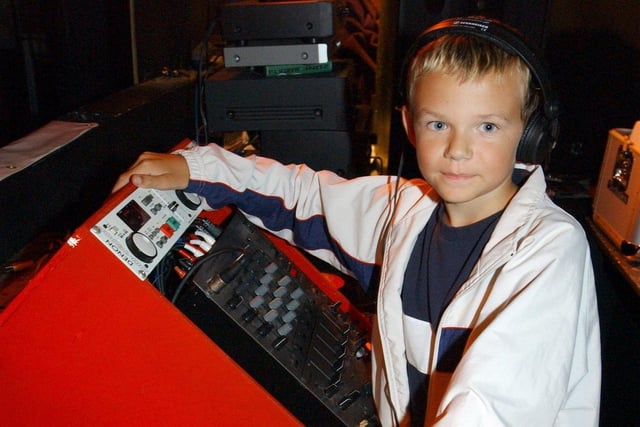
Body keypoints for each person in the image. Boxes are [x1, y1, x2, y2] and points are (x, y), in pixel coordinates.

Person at [113, 16, 601, 426]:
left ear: (531, 133)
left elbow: (494, 403)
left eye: (488, 126)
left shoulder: (549, 250)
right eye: (438, 124)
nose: (458, 149)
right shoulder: (402, 212)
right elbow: (305, 194)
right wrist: (198, 170)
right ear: (410, 125)